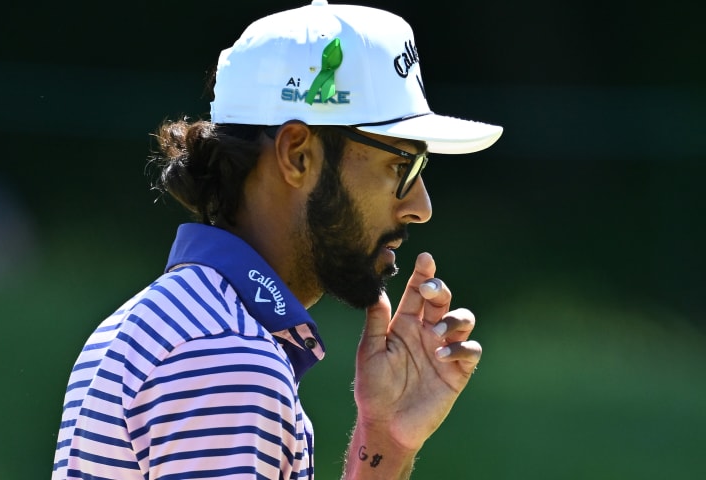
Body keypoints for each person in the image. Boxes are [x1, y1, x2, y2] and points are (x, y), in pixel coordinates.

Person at [51, 1, 503, 478]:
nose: (421, 206)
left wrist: (385, 441)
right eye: (400, 166)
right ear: (297, 155)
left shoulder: (178, 324)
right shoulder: (226, 361)